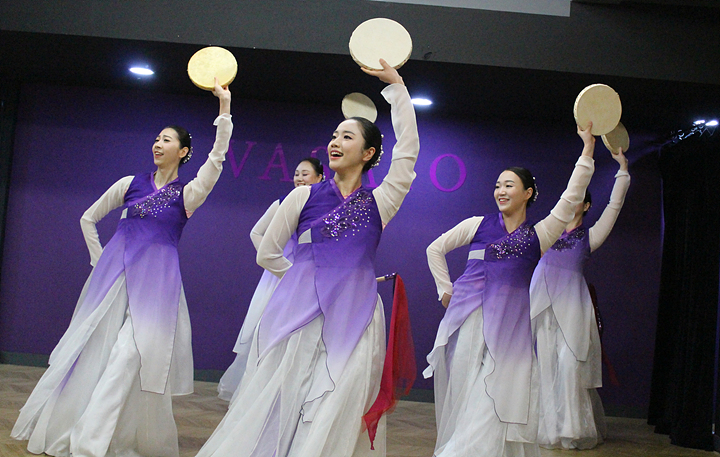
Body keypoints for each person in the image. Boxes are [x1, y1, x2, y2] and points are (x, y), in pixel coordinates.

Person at [196, 59, 418, 457]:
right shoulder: (303, 196)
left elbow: (407, 154)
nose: (335, 142)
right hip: (299, 316)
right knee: (282, 398)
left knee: (339, 404)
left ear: (368, 153)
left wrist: (398, 89)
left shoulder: (381, 201)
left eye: (347, 137)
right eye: (334, 135)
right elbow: (267, 252)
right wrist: (305, 278)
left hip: (357, 318)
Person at [11, 79, 233, 457]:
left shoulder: (188, 194)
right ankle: (74, 431)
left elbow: (216, 162)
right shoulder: (130, 183)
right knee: (92, 352)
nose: (158, 144)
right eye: (156, 138)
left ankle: (93, 442)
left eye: (166, 140)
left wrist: (224, 110)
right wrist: (101, 260)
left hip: (157, 288)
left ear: (183, 152)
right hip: (114, 280)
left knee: (130, 358)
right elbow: (88, 218)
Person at [424, 124, 598, 457]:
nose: (501, 191)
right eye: (497, 185)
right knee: (465, 398)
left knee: (499, 400)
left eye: (509, 185)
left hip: (511, 331)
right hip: (470, 323)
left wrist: (587, 150)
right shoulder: (477, 224)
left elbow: (571, 197)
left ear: (528, 192)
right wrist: (445, 290)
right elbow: (434, 249)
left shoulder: (540, 235)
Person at [530, 149, 630, 450]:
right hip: (542, 304)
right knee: (546, 365)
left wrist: (623, 171)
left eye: (578, 199)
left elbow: (614, 206)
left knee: (569, 366)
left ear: (586, 205)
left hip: (572, 307)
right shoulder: (547, 231)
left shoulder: (590, 236)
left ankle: (572, 427)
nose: (572, 201)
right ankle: (548, 427)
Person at [217, 158, 324, 402]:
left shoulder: (324, 207)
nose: (299, 178)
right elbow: (256, 232)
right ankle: (255, 395)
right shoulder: (283, 203)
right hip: (279, 276)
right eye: (296, 173)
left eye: (305, 174)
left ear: (320, 178)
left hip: (311, 278)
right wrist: (276, 258)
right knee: (268, 333)